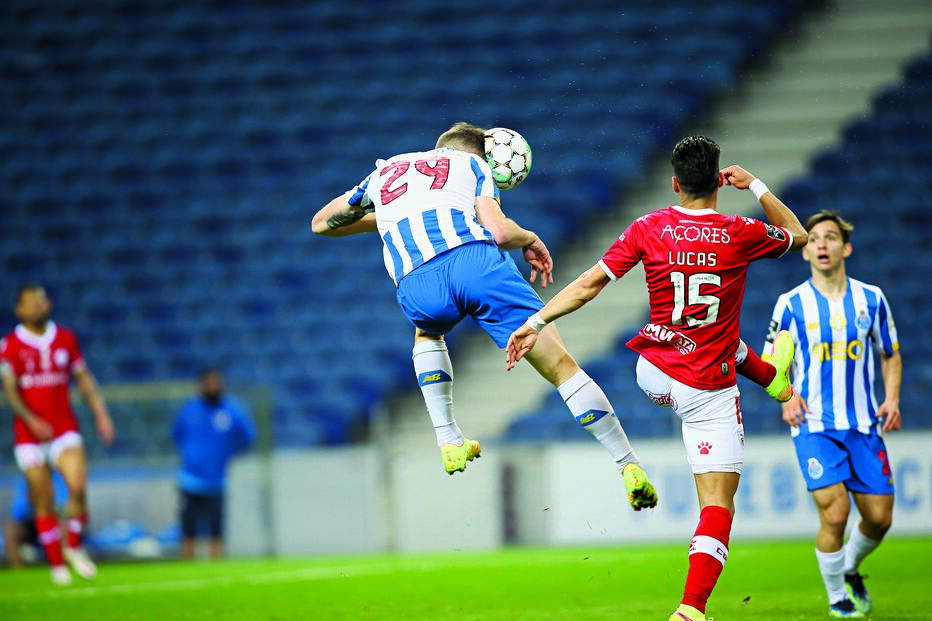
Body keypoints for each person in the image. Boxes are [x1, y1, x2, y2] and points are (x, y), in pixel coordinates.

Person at [506, 135, 807, 621]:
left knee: (719, 337)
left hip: (655, 372)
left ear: (673, 183)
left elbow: (588, 285)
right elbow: (799, 234)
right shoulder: (740, 232)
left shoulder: (650, 226)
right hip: (708, 389)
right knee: (717, 508)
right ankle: (691, 609)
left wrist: (534, 323)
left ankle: (775, 378)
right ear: (718, 183)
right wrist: (756, 186)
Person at [311, 121, 658, 511]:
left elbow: (321, 223)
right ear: (478, 153)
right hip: (473, 262)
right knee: (560, 366)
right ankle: (627, 464)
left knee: (427, 333)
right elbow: (498, 232)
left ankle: (448, 438)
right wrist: (530, 238)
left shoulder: (385, 172)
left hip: (416, 282)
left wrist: (393, 216)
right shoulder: (470, 166)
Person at [762, 210, 901, 619]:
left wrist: (891, 398)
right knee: (836, 511)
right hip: (813, 425)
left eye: (831, 237)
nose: (822, 244)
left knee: (879, 518)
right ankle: (838, 598)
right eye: (815, 239)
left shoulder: (871, 299)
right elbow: (771, 360)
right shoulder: (790, 304)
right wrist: (785, 396)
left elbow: (890, 354)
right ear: (805, 252)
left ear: (846, 247)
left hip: (863, 424)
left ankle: (850, 568)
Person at [0, 282, 116, 585]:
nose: (38, 306)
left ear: (48, 304)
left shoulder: (65, 338)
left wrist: (101, 414)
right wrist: (30, 418)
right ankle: (56, 565)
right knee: (44, 499)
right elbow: (10, 391)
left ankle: (73, 548)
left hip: (64, 428)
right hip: (29, 435)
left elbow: (83, 379)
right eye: (31, 303)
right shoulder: (10, 344)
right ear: (20, 309)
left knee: (78, 486)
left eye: (42, 301)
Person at [172, 368, 256, 559]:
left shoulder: (232, 410)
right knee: (188, 529)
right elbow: (177, 435)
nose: (213, 386)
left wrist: (228, 453)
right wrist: (191, 455)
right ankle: (187, 568)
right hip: (190, 480)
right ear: (201, 386)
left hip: (217, 481)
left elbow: (248, 437)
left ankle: (217, 568)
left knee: (216, 530)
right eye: (208, 383)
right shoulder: (189, 410)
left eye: (216, 382)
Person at [3, 471, 68, 568]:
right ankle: (18, 571)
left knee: (63, 526)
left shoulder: (58, 480)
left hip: (53, 522)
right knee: (10, 529)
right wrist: (33, 503)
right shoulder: (26, 485)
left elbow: (64, 509)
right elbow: (17, 514)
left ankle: (62, 566)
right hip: (32, 525)